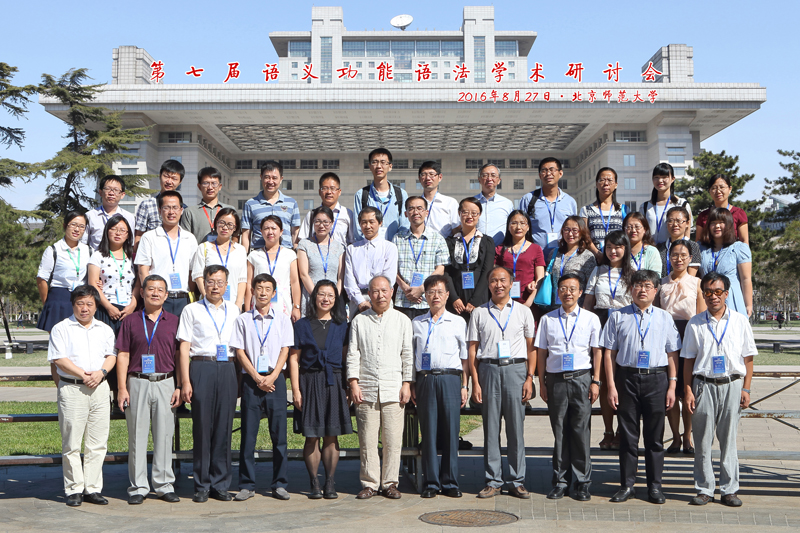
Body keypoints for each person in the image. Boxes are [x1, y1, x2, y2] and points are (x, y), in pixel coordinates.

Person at [603, 269, 681, 504]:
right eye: (638, 285)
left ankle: (655, 487)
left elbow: (672, 354)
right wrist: (611, 386)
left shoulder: (665, 318)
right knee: (628, 437)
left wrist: (672, 386)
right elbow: (609, 353)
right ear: (631, 289)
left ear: (656, 291)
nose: (642, 290)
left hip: (657, 380)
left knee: (655, 437)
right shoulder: (617, 316)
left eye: (648, 286)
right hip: (626, 379)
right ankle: (627, 486)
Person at [682, 272, 756, 507]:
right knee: (702, 440)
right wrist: (688, 390)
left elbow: (748, 358)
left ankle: (729, 489)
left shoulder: (740, 321)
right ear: (703, 294)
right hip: (703, 385)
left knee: (729, 439)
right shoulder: (695, 323)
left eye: (717, 292)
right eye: (708, 292)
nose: (713, 296)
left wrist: (746, 389)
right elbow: (688, 360)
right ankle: (705, 489)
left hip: (732, 384)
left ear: (726, 294)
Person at [468, 266, 536, 499]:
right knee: (491, 428)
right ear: (488, 285)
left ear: (511, 283)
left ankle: (517, 480)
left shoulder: (523, 311)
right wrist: (475, 382)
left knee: (516, 428)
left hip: (516, 370)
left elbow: (531, 348)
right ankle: (493, 480)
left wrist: (530, 378)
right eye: (494, 280)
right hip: (488, 370)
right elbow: (472, 350)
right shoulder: (479, 313)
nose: (498, 284)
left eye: (503, 280)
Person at [535, 273, 603, 501]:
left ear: (580, 292)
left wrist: (596, 381)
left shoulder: (591, 319)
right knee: (560, 431)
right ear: (558, 292)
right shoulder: (547, 319)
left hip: (582, 378)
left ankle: (582, 483)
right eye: (563, 288)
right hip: (555, 379)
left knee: (581, 431)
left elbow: (597, 352)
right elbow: (541, 352)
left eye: (572, 289)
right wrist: (541, 382)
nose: (568, 293)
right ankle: (560, 482)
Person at [47, 285, 116, 507]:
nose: (84, 308)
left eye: (89, 304)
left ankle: (93, 488)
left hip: (100, 388)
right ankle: (74, 489)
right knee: (72, 442)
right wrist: (83, 375)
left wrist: (101, 372)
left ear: (96, 306)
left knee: (98, 442)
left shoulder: (105, 329)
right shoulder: (61, 328)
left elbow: (111, 356)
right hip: (73, 388)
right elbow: (59, 359)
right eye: (80, 303)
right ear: (73, 304)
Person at [115, 274, 181, 504]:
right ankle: (138, 487)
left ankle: (164, 485)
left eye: (160, 289)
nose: (155, 293)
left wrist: (179, 385)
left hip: (166, 382)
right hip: (138, 382)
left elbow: (179, 356)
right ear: (142, 292)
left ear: (166, 295)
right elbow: (123, 355)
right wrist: (122, 388)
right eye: (151, 289)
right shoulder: (131, 321)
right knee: (137, 436)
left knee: (164, 435)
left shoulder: (174, 321)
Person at [177, 265, 240, 503]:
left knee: (224, 426)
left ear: (226, 285)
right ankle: (201, 484)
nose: (215, 287)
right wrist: (185, 381)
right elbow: (184, 348)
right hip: (201, 366)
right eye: (210, 282)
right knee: (202, 427)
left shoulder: (234, 310)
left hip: (227, 367)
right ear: (203, 283)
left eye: (220, 282)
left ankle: (220, 483)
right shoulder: (191, 310)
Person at [347, 276, 413, 500]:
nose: (380, 295)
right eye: (375, 291)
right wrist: (353, 383)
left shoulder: (402, 320)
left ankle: (390, 483)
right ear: (369, 294)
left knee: (393, 440)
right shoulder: (359, 321)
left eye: (384, 290)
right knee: (367, 440)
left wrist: (407, 383)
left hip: (393, 388)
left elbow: (407, 355)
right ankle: (370, 483)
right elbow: (353, 354)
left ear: (392, 291)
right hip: (366, 388)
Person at [230, 273, 294, 502]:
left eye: (268, 289)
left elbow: (286, 349)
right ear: (253, 291)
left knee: (279, 436)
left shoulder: (283, 319)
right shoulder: (243, 320)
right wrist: (257, 377)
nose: (263, 292)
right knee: (248, 435)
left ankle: (280, 484)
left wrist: (274, 376)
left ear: (274, 293)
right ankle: (246, 484)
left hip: (275, 381)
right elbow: (239, 352)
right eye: (259, 288)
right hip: (252, 381)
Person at [289, 280, 352, 500]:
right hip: (309, 382)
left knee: (331, 435)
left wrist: (348, 386)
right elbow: (294, 359)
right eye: (322, 294)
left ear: (336, 300)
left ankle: (330, 481)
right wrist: (296, 390)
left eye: (331, 295)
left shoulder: (343, 326)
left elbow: (346, 358)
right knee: (312, 435)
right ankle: (314, 482)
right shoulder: (301, 325)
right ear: (314, 297)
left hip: (334, 382)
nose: (326, 299)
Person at [411, 274, 468, 499]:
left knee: (451, 432)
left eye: (440, 292)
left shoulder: (458, 322)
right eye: (431, 292)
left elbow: (465, 358)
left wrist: (464, 385)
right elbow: (411, 356)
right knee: (428, 432)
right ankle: (431, 483)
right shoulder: (417, 323)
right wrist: (412, 383)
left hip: (450, 379)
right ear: (425, 296)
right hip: (425, 380)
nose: (435, 296)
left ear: (447, 295)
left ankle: (450, 482)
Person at [582, 230, 634, 451]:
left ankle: (622, 430)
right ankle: (608, 431)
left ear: (626, 249)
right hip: (601, 321)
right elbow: (588, 303)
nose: (613, 251)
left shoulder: (633, 272)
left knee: (622, 381)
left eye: (618, 247)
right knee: (603, 379)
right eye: (609, 247)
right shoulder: (598, 270)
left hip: (625, 324)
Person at [656, 240, 706, 455]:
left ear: (690, 259)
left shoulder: (697, 283)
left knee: (688, 390)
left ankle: (688, 437)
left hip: (689, 336)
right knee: (671, 390)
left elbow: (701, 315)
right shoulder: (661, 283)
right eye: (674, 255)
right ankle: (675, 437)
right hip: (666, 338)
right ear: (669, 258)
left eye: (683, 255)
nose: (678, 259)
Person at [135, 191, 199, 318]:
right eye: (166, 208)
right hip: (158, 299)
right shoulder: (149, 237)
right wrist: (151, 294)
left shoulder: (190, 238)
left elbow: (192, 272)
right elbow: (143, 270)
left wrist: (191, 294)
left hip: (183, 299)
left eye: (175, 207)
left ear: (181, 210)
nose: (171, 212)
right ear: (160, 210)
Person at [393, 196, 449, 320]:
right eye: (411, 209)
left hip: (428, 301)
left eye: (419, 208)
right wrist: (405, 288)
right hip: (404, 300)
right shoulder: (397, 238)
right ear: (406, 214)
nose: (416, 212)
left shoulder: (437, 239)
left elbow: (440, 269)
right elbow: (392, 268)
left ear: (426, 212)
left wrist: (422, 288)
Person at [36, 212, 91, 333]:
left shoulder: (88, 250)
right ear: (65, 225)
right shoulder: (53, 250)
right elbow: (41, 279)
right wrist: (47, 303)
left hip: (82, 298)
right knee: (59, 338)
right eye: (73, 225)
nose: (77, 229)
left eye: (81, 226)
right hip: (59, 298)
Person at [444, 198, 496, 322]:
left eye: (474, 213)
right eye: (465, 212)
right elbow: (446, 272)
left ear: (479, 215)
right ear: (459, 213)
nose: (469, 216)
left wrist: (475, 300)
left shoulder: (487, 241)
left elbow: (487, 272)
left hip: (479, 296)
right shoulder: (449, 241)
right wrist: (454, 298)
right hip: (456, 298)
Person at [343, 207, 399, 320]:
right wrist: (361, 302)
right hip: (357, 301)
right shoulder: (352, 249)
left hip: (382, 299)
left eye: (371, 222)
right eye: (364, 222)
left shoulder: (389, 247)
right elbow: (349, 280)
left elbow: (389, 278)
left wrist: (375, 300)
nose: (368, 226)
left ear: (380, 223)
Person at [88, 214, 139, 335]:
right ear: (107, 231)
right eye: (114, 229)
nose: (118, 233)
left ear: (128, 235)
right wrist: (109, 307)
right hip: (105, 309)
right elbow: (93, 284)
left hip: (127, 310)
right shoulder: (98, 256)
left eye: (122, 230)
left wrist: (132, 306)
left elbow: (138, 284)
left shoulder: (133, 257)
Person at [698, 207, 753, 317]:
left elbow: (746, 279)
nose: (717, 226)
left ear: (728, 225)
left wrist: (748, 304)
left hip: (732, 300)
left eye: (721, 222)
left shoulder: (739, 248)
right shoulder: (699, 248)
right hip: (707, 300)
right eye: (713, 223)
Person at [245, 215, 301, 321]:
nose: (270, 232)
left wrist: (296, 306)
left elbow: (294, 282)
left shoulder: (290, 254)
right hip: (259, 306)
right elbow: (249, 284)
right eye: (266, 228)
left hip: (283, 306)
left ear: (281, 231)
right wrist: (247, 310)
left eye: (274, 228)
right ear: (261, 232)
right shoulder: (254, 255)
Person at [190, 208, 248, 310]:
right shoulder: (204, 248)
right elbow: (198, 276)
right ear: (216, 224)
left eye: (230, 225)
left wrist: (239, 302)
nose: (225, 227)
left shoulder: (240, 250)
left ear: (235, 228)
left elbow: (242, 279)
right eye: (222, 223)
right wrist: (207, 298)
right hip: (209, 304)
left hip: (233, 304)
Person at [519, 157, 578, 250]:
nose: (548, 173)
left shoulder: (570, 201)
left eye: (552, 170)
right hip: (536, 255)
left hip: (562, 253)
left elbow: (575, 229)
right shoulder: (528, 199)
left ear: (560, 173)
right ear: (540, 175)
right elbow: (520, 227)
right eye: (544, 170)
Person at [241, 160, 301, 251]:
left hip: (285, 253)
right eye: (267, 177)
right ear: (261, 177)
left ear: (281, 179)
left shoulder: (292, 203)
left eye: (274, 178)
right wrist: (244, 256)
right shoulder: (250, 204)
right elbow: (246, 235)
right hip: (259, 253)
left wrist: (296, 254)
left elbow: (295, 233)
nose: (270, 181)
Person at [297, 206, 346, 315]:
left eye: (325, 222)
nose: (321, 225)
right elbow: (304, 274)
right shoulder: (304, 244)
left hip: (332, 300)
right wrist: (317, 296)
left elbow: (341, 277)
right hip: (311, 296)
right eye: (317, 221)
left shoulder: (339, 247)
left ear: (332, 223)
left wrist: (333, 298)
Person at [353, 148, 409, 241]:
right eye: (375, 162)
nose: (379, 166)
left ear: (390, 166)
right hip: (369, 247)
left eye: (383, 162)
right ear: (370, 166)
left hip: (394, 247)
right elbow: (358, 228)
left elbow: (405, 225)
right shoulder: (361, 194)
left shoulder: (401, 194)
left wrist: (395, 245)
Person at [494, 210, 545, 307]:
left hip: (528, 301)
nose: (518, 227)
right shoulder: (500, 249)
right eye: (514, 223)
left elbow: (540, 278)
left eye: (522, 223)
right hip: (504, 300)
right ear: (508, 227)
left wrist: (529, 301)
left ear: (528, 227)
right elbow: (494, 277)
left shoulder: (536, 249)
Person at [545, 216, 596, 309]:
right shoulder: (554, 253)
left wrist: (585, 308)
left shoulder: (587, 256)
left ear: (582, 232)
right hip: (554, 307)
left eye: (575, 230)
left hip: (576, 307)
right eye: (567, 230)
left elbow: (590, 287)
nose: (570, 234)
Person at [134, 159, 185, 249]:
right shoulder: (147, 205)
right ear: (160, 175)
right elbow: (138, 236)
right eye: (166, 176)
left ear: (180, 181)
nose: (169, 181)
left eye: (174, 178)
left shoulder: (183, 209)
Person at [580, 167, 627, 262]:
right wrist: (598, 254)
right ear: (596, 184)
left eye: (610, 180)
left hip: (617, 259)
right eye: (602, 180)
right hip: (593, 259)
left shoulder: (624, 209)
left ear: (616, 185)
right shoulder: (586, 210)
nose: (606, 183)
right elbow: (585, 236)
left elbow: (626, 236)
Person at [296, 172, 355, 247]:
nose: (329, 192)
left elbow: (352, 242)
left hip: (341, 254)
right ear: (319, 192)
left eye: (332, 188)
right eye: (325, 188)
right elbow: (302, 241)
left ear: (339, 192)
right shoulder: (311, 215)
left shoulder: (347, 214)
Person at [639, 163, 692, 245]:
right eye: (656, 177)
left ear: (672, 179)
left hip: (673, 250)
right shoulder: (645, 207)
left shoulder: (682, 204)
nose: (660, 180)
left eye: (664, 177)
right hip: (651, 250)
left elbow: (687, 234)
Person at [180, 167, 235, 244]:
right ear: (199, 186)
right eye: (206, 183)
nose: (210, 187)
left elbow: (235, 236)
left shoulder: (229, 210)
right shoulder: (189, 212)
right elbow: (185, 240)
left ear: (220, 186)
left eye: (214, 183)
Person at [82, 175, 136, 251]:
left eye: (116, 190)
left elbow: (130, 243)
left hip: (120, 258)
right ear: (100, 192)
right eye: (107, 189)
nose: (111, 193)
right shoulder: (89, 216)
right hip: (96, 257)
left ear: (122, 195)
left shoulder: (129, 217)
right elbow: (83, 243)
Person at [695, 175, 749, 245]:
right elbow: (698, 242)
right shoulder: (703, 215)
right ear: (709, 191)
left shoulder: (738, 213)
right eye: (714, 188)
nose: (718, 191)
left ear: (730, 189)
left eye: (722, 187)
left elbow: (744, 242)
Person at [473, 163, 514, 246]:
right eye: (485, 175)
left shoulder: (507, 204)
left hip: (500, 249)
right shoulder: (471, 202)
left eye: (493, 175)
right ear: (479, 180)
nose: (489, 179)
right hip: (476, 248)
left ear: (499, 180)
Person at [417, 160, 460, 237]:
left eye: (431, 174)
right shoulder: (415, 204)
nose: (427, 178)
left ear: (440, 177)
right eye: (423, 174)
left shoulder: (450, 203)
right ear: (419, 178)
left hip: (444, 244)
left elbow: (456, 230)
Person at [656, 206, 701, 278]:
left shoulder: (693, 246)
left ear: (687, 223)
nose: (675, 224)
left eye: (679, 221)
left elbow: (691, 277)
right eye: (671, 221)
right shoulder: (659, 248)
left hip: (684, 284)